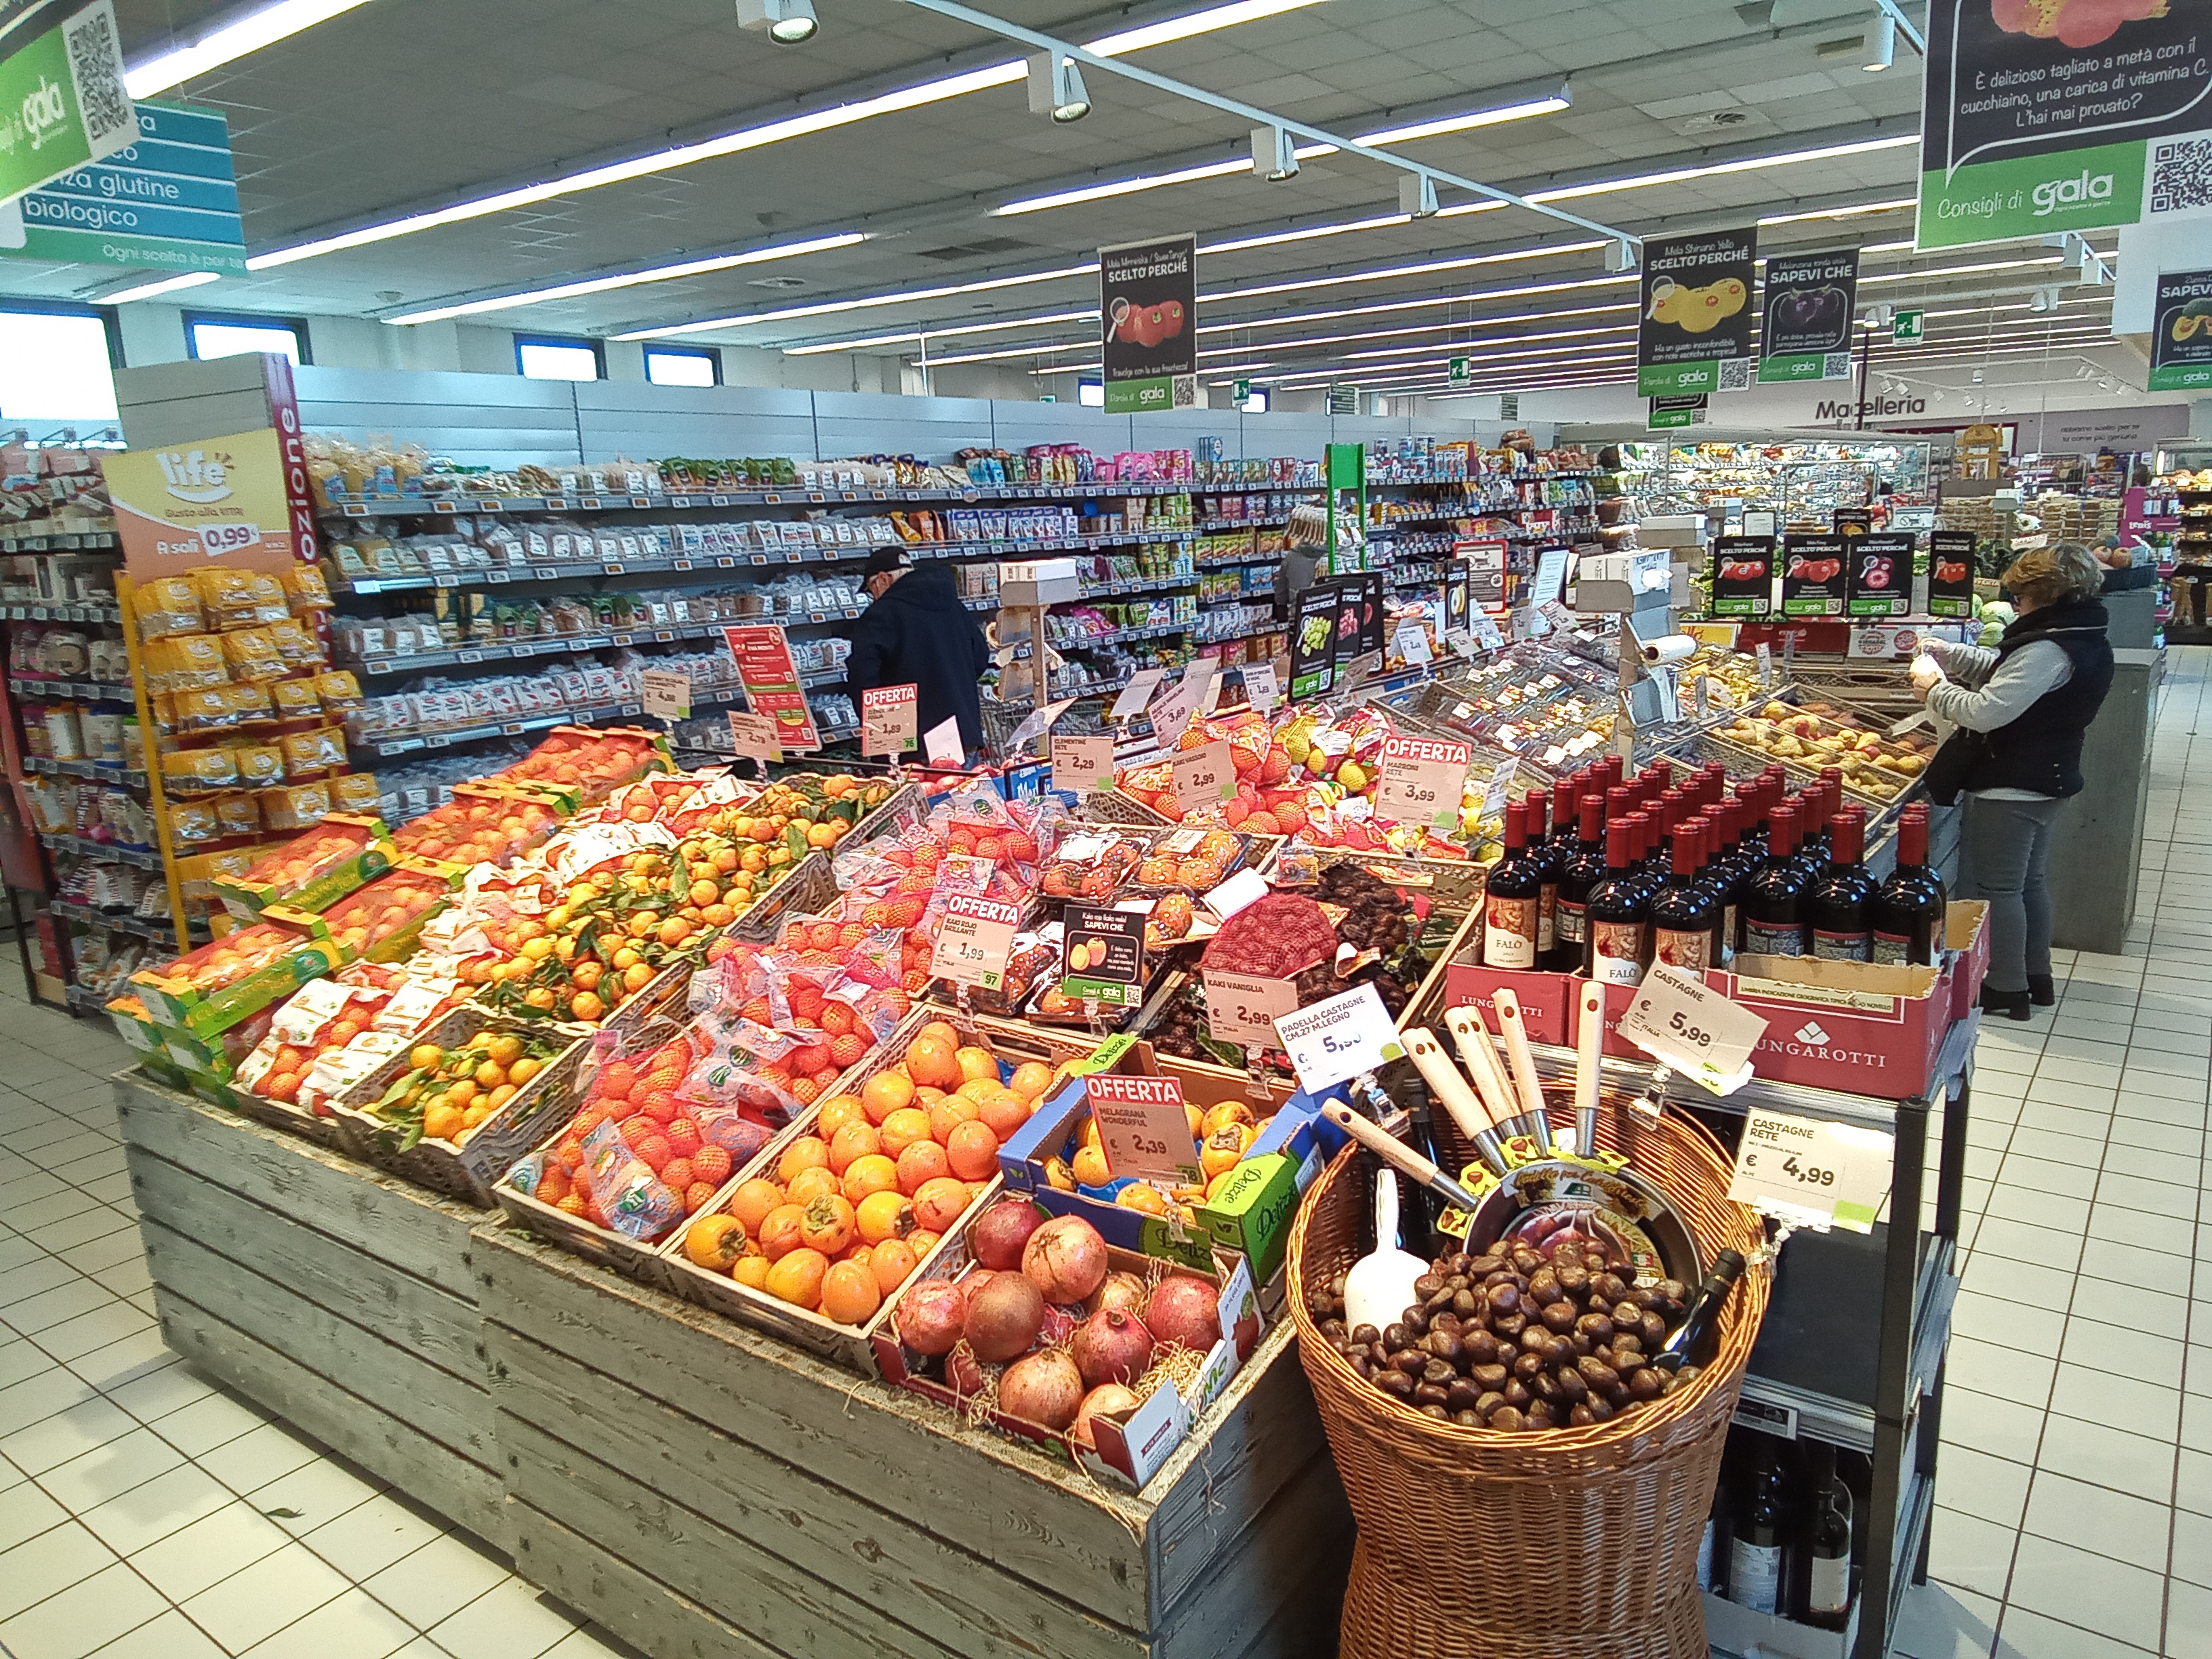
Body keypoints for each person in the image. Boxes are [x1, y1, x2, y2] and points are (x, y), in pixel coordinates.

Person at [1911, 541, 2113, 1021]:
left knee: (1998, 888)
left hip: (2013, 784)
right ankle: (2035, 975)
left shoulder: (2048, 648)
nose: (2016, 603)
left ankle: (2004, 985)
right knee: (2028, 883)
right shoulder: (2079, 634)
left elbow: (1987, 711)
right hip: (2048, 777)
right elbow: (2010, 673)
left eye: (2021, 595)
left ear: (2044, 594)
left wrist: (1934, 690)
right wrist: (1953, 655)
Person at [846, 548, 992, 757]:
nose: (874, 596)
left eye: (871, 588)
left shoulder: (881, 614)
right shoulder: (954, 606)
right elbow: (980, 657)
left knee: (917, 780)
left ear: (884, 579)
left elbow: (863, 675)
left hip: (912, 743)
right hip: (963, 734)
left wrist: (878, 725)